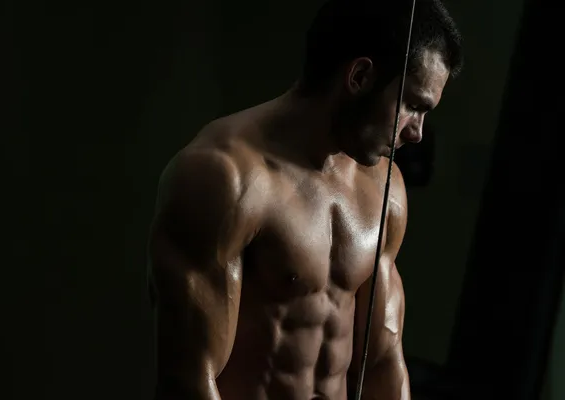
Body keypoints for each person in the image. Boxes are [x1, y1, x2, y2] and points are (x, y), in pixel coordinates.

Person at [147, 0, 463, 398]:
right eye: (413, 106)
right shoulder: (224, 176)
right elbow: (189, 379)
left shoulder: (386, 186)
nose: (416, 132)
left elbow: (383, 359)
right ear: (361, 76)